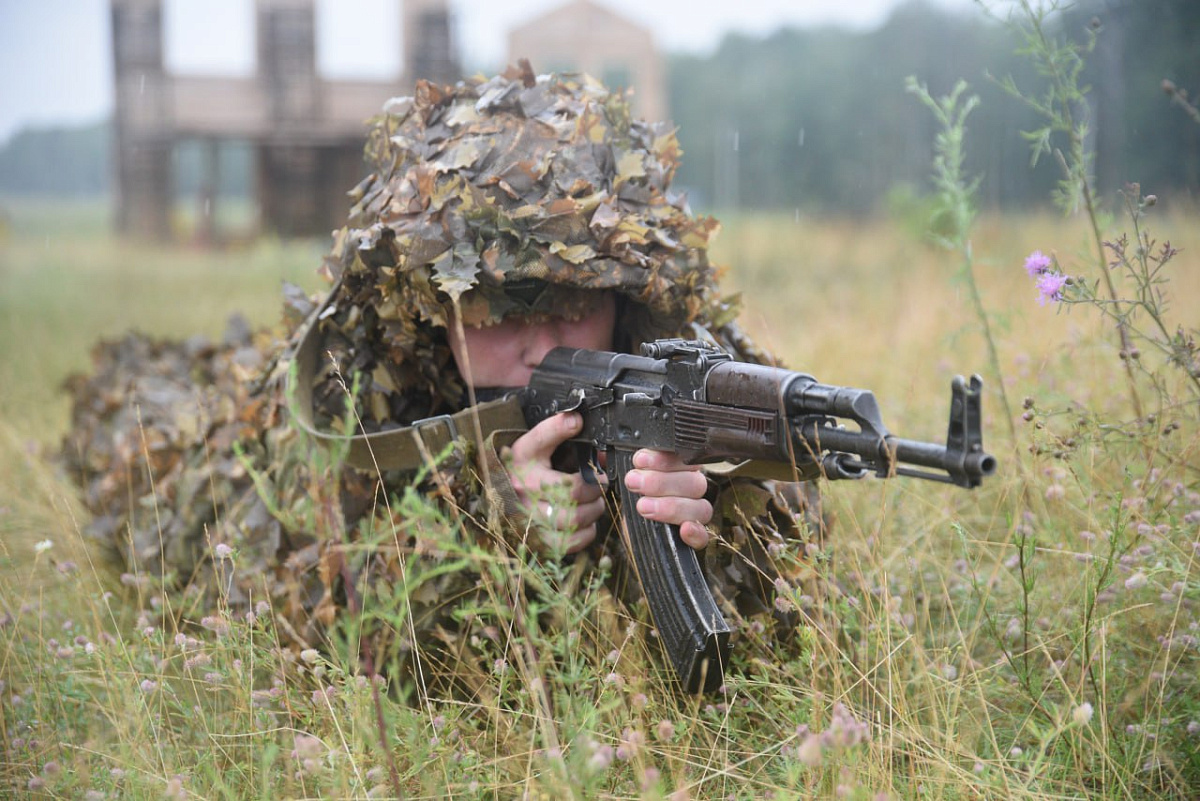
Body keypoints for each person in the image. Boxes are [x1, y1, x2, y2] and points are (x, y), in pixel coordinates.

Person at [61, 64, 825, 693]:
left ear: (624, 299)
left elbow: (794, 586)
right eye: (494, 311)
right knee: (146, 417)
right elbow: (309, 618)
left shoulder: (676, 362)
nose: (538, 346)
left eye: (573, 306)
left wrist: (714, 513)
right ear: (435, 311)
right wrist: (495, 527)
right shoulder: (358, 388)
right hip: (215, 430)